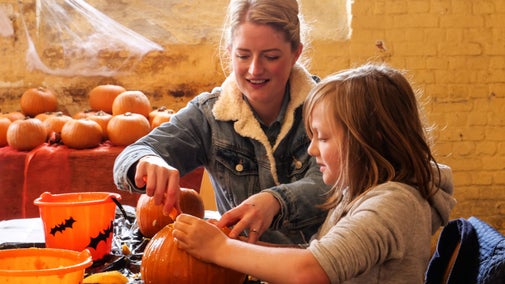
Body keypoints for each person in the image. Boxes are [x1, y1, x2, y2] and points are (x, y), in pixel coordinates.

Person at [172, 63, 457, 283]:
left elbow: (311, 271)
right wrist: (243, 250)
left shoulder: (392, 205)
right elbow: (316, 256)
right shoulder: (362, 192)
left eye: (322, 137)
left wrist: (220, 249)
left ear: (370, 138)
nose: (311, 150)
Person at [113, 0, 330, 245]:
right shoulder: (209, 115)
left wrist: (276, 201)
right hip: (239, 269)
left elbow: (331, 184)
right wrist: (147, 160)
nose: (255, 69)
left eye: (270, 56)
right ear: (229, 51)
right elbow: (130, 155)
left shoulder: (329, 107)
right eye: (243, 55)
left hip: (318, 267)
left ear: (295, 54)